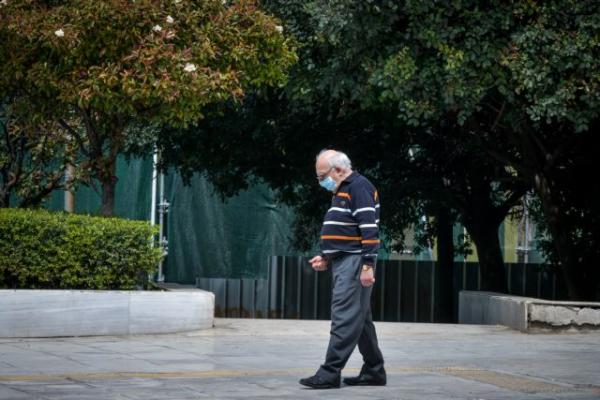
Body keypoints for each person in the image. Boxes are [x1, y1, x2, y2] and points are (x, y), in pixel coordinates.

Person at [299, 149, 386, 389]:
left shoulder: (359, 187)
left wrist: (368, 265)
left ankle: (329, 372)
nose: (320, 181)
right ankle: (374, 370)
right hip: (346, 260)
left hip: (355, 262)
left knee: (344, 317)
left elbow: (369, 229)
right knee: (360, 319)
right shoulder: (342, 190)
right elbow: (346, 231)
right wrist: (326, 256)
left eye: (322, 176)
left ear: (337, 170)